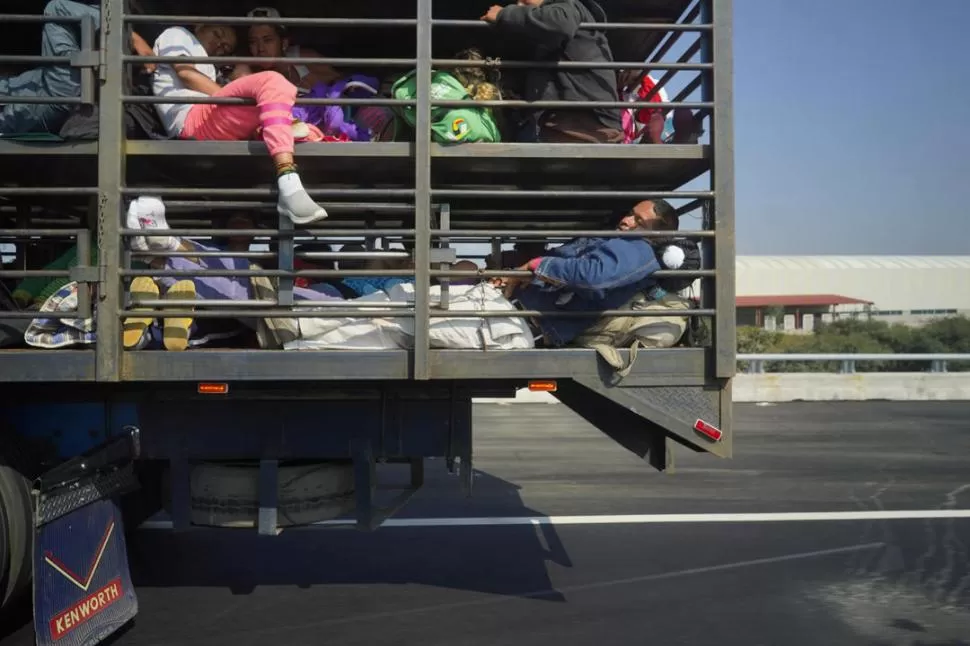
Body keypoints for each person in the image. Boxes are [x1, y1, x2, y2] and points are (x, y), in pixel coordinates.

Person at [150, 24, 329, 225]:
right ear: (200, 25)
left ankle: (278, 129)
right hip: (192, 118)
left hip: (208, 118)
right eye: (217, 33)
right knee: (271, 81)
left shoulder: (209, 65)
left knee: (291, 115)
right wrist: (232, 96)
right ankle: (288, 178)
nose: (219, 44)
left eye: (225, 47)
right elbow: (186, 74)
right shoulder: (179, 34)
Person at [492, 199, 676, 346]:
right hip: (524, 309)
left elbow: (594, 277)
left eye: (639, 222)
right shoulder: (615, 243)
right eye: (630, 214)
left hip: (534, 320)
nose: (626, 220)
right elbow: (568, 264)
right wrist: (520, 273)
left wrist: (537, 265)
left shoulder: (639, 249)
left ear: (657, 235)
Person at [0, 0, 155, 135]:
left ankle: (117, 31)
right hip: (57, 93)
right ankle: (121, 33)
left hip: (52, 89)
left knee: (60, 10)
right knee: (56, 9)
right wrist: (131, 38)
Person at [480, 0, 623, 143]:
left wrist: (504, 14)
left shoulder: (569, 5)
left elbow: (560, 23)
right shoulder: (550, 43)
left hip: (582, 126)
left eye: (524, 0)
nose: (519, 5)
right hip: (571, 125)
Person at [242, 7, 341, 91]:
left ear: (284, 43)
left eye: (268, 40)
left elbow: (342, 81)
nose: (260, 49)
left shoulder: (303, 59)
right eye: (253, 42)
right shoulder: (246, 70)